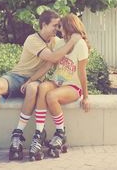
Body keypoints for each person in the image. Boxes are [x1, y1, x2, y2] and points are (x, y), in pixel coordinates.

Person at [0, 10, 81, 164]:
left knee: (33, 88)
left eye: (58, 26)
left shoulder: (56, 41)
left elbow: (52, 63)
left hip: (33, 81)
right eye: (54, 25)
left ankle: (18, 134)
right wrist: (72, 41)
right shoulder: (32, 39)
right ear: (44, 25)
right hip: (16, 77)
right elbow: (52, 58)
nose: (57, 29)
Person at [20, 13, 91, 161]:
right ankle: (39, 133)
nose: (59, 29)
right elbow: (48, 65)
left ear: (68, 27)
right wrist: (30, 81)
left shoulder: (80, 45)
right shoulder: (60, 43)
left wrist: (86, 96)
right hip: (58, 82)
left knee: (51, 96)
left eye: (61, 26)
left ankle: (60, 133)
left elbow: (82, 73)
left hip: (73, 86)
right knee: (43, 87)